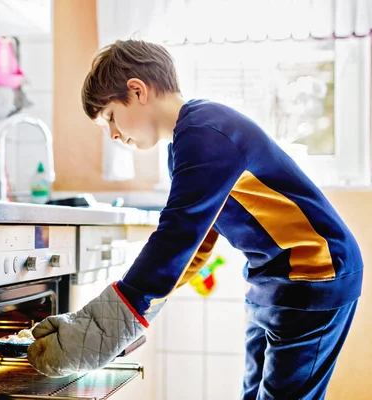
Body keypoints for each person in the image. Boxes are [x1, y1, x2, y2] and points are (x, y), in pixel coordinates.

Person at [26, 39, 363, 400]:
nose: (113, 135)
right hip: (275, 279)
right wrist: (143, 310)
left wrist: (114, 320)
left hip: (317, 274)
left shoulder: (205, 131)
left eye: (110, 117)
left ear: (137, 90)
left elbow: (178, 234)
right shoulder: (184, 144)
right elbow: (197, 243)